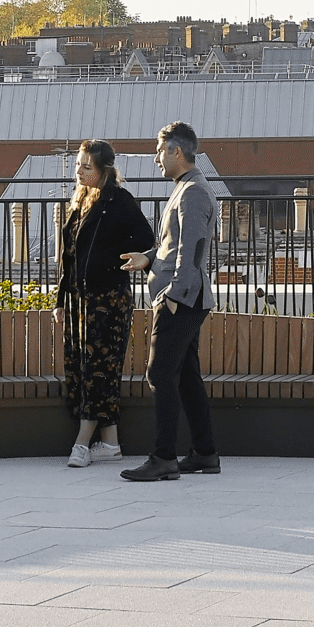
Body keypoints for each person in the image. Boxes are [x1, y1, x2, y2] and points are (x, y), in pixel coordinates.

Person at [119, 121, 218, 482]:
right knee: (186, 376)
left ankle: (163, 458)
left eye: (160, 151)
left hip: (181, 298)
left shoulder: (192, 193)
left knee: (159, 373)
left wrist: (173, 297)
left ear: (177, 152)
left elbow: (193, 253)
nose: (156, 159)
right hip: (187, 296)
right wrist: (148, 257)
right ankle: (205, 453)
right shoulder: (187, 187)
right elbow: (173, 246)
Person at [55, 140, 154, 468]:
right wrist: (60, 298)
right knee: (86, 369)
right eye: (78, 165)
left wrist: (112, 259)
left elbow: (145, 239)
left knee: (98, 369)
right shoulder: (79, 200)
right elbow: (67, 255)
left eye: (87, 167)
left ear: (104, 171)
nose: (79, 171)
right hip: (79, 300)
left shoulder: (119, 200)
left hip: (109, 299)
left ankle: (82, 443)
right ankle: (110, 442)